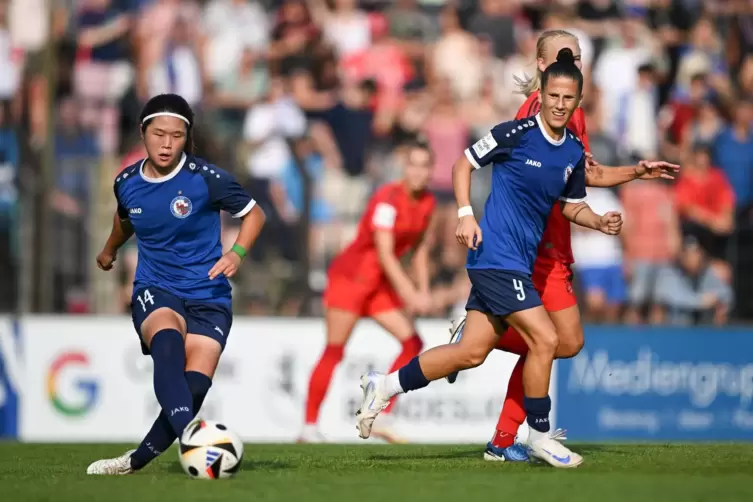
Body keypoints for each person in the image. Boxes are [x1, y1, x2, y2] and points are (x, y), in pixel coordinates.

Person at [356, 49, 622, 468]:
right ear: (543, 93)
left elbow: (571, 206)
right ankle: (538, 435)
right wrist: (465, 213)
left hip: (517, 262)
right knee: (547, 340)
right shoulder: (514, 133)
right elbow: (463, 164)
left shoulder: (571, 150)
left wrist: (598, 220)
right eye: (553, 95)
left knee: (471, 353)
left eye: (568, 99)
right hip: (497, 258)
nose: (559, 104)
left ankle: (384, 385)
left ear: (577, 101)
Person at [448, 30, 679, 463]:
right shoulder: (537, 113)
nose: (571, 62)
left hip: (557, 244)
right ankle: (505, 435)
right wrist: (465, 212)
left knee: (564, 343)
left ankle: (479, 342)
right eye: (562, 55)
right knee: (551, 341)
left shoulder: (573, 112)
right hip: (533, 249)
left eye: (575, 55)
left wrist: (637, 171)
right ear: (540, 65)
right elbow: (496, 167)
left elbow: (580, 174)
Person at [86, 94, 266, 475]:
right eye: (159, 134)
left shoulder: (206, 179)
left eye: (177, 136)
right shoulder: (127, 182)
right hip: (156, 286)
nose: (167, 144)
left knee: (194, 389)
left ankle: (134, 461)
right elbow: (127, 218)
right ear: (143, 133)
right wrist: (109, 250)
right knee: (166, 344)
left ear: (188, 137)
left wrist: (237, 254)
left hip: (209, 294)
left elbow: (254, 214)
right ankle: (196, 438)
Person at [300, 139, 435, 443]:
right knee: (334, 350)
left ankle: (382, 415)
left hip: (377, 286)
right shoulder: (387, 199)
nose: (418, 171)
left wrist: (423, 289)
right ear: (404, 167)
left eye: (425, 165)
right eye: (413, 164)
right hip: (351, 279)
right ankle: (308, 427)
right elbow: (385, 253)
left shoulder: (427, 202)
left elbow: (422, 250)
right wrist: (411, 294)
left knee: (412, 342)